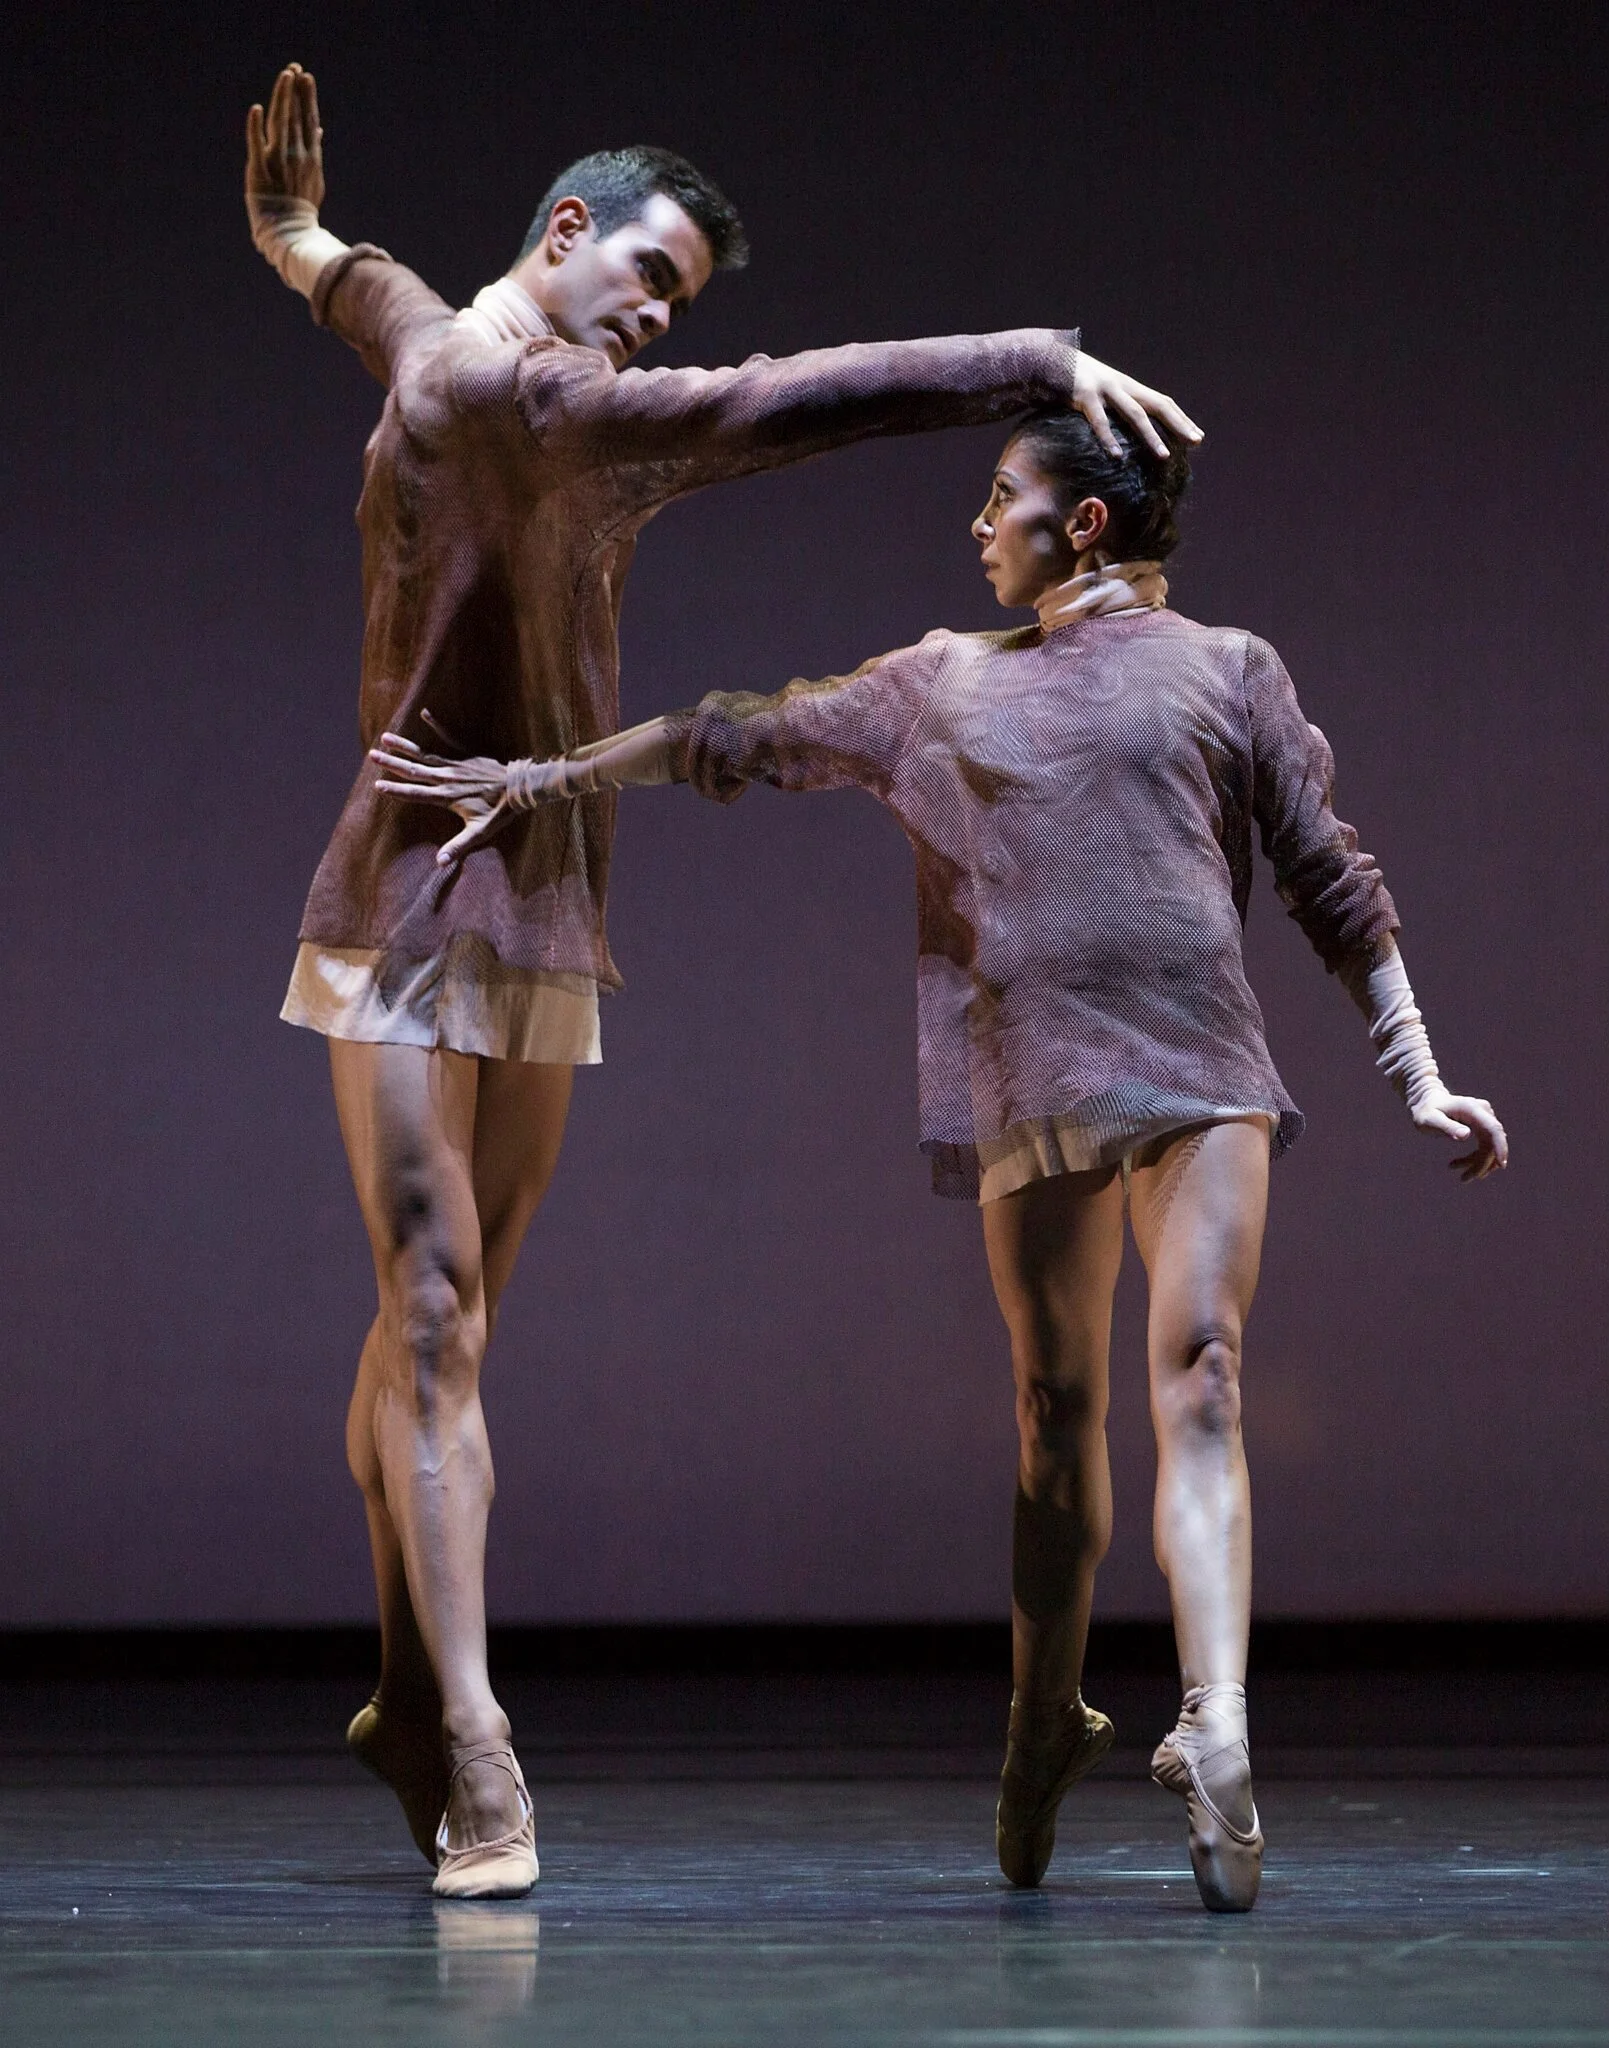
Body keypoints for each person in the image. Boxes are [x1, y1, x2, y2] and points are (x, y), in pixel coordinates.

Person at [244, 62, 1201, 1900]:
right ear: (570, 234)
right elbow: (784, 406)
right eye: (656, 283)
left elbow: (351, 276)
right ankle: (481, 1753)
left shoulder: (460, 347)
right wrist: (1027, 361)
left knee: (448, 1327)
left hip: (542, 902)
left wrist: (291, 231)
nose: (667, 322)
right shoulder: (517, 383)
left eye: (683, 304)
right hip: (390, 898)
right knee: (432, 1316)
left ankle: (395, 1695)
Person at [371, 414, 1507, 1914]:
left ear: (1085, 525)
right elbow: (738, 733)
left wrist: (1420, 1077)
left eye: (1003, 500)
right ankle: (1044, 1722)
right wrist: (548, 778)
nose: (980, 527)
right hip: (1034, 1075)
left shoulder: (1231, 668)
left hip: (1202, 1068)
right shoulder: (940, 682)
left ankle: (1215, 1724)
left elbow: (1328, 875)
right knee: (1055, 1420)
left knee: (1208, 1370)